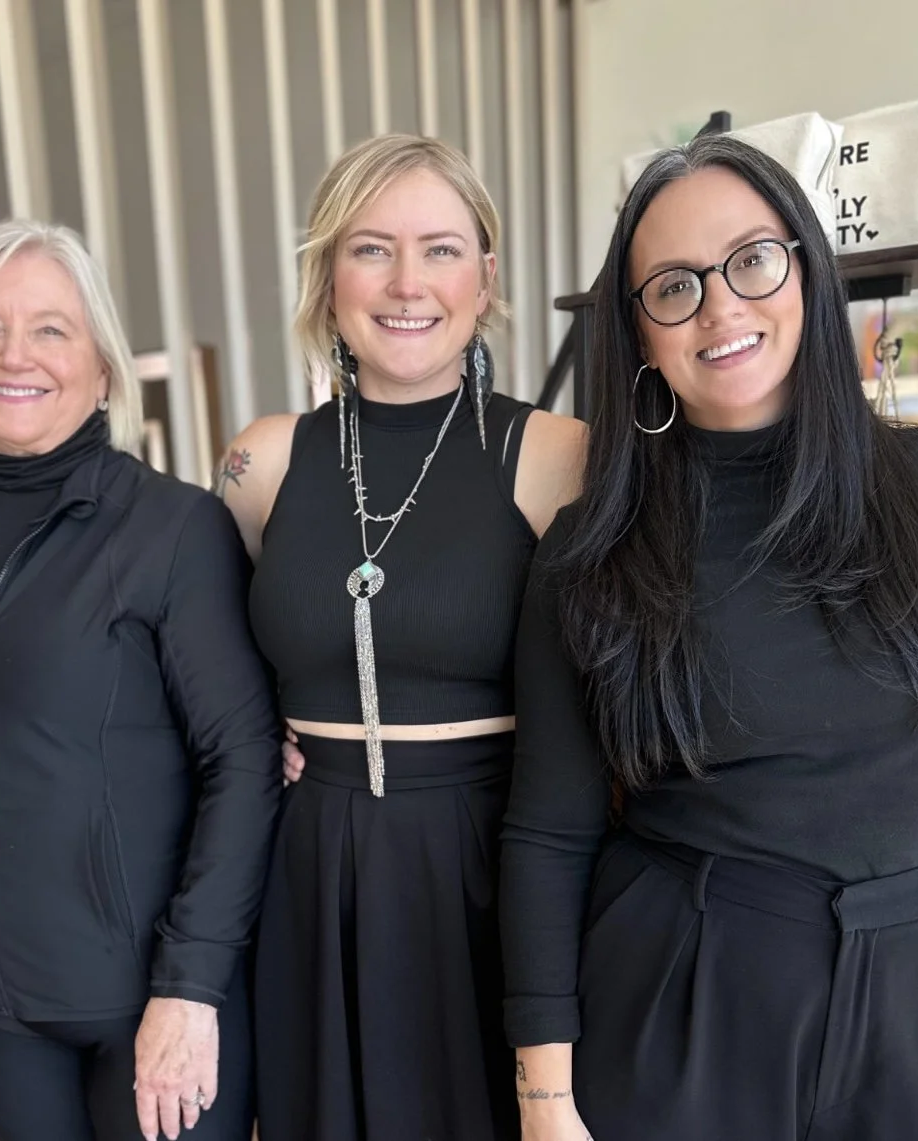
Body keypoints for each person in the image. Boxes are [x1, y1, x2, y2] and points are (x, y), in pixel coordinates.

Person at [500, 134, 918, 1141]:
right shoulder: (592, 552)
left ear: (805, 264)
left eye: (751, 259)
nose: (720, 306)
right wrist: (546, 1102)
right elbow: (548, 834)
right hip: (683, 1004)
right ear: (638, 334)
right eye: (673, 285)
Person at [0, 219, 281, 1141]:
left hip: (145, 997)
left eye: (51, 328)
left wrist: (191, 985)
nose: (15, 354)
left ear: (101, 365)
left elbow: (243, 760)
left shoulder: (173, 531)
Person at [213, 133, 585, 1141]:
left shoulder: (553, 455)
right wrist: (261, 739)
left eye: (441, 248)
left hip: (491, 860)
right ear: (328, 275)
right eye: (371, 248)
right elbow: (212, 667)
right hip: (309, 866)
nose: (407, 282)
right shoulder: (262, 460)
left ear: (487, 277)